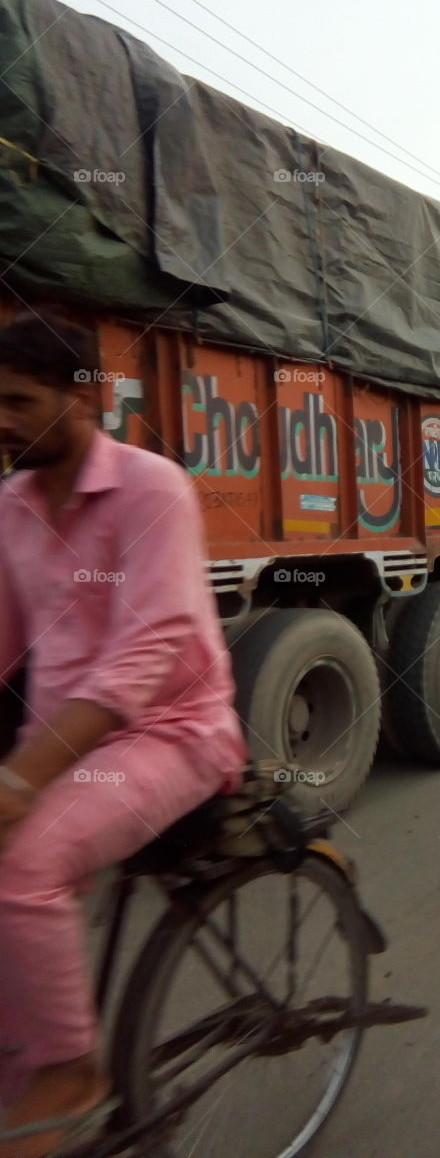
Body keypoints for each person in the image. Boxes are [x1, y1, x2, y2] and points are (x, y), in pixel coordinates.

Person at [0, 314, 247, 1155]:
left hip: (174, 734)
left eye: (18, 402)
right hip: (63, 739)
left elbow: (144, 654)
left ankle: (72, 1070)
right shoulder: (13, 504)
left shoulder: (153, 488)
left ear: (85, 396)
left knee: (21, 863)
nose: (1, 421)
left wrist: (21, 780)